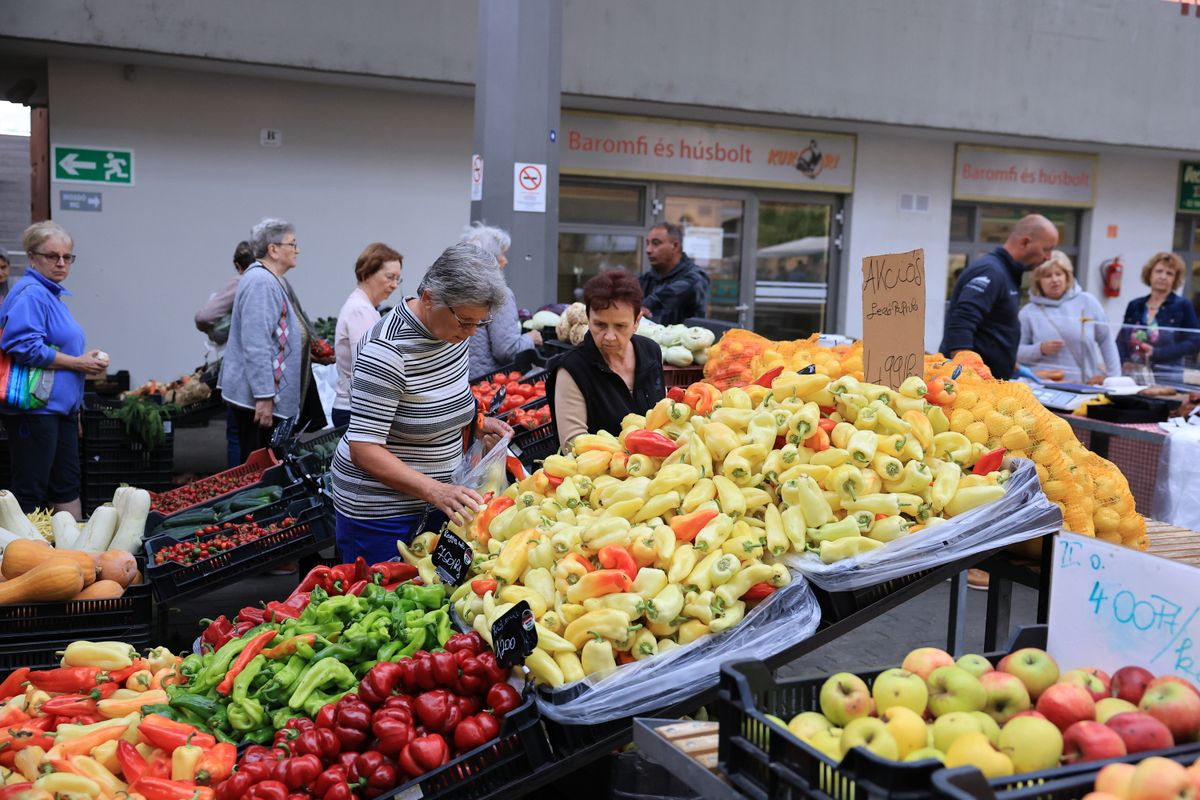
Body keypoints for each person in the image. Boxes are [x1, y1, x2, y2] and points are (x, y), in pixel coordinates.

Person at [330, 242, 513, 563]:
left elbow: (446, 394)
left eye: (479, 323)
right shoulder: (386, 351)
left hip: (438, 501)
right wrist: (435, 490)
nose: (471, 333)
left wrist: (477, 424)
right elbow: (364, 448)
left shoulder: (450, 333)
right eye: (465, 321)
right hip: (381, 515)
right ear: (429, 298)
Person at [0, 222, 108, 517]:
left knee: (66, 486)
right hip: (35, 410)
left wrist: (75, 403)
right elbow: (24, 346)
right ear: (32, 257)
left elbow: (53, 345)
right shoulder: (32, 294)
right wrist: (78, 363)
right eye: (52, 256)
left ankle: (72, 545)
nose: (61, 263)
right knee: (30, 490)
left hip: (57, 410)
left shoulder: (50, 294)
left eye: (67, 256)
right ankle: (21, 548)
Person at [219, 218, 321, 462]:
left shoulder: (271, 279)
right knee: (258, 468)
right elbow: (256, 344)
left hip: (267, 397)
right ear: (273, 249)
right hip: (259, 402)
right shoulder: (261, 282)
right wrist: (264, 397)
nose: (297, 250)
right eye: (292, 244)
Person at [550, 269, 665, 449]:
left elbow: (662, 415)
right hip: (601, 467)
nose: (609, 336)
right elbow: (572, 445)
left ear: (637, 321)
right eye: (600, 325)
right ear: (588, 318)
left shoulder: (651, 351)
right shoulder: (572, 369)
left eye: (620, 326)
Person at [940, 214, 1059, 380]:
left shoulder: (1007, 272)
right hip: (973, 384)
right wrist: (967, 375)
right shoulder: (991, 271)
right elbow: (961, 322)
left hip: (993, 380)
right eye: (1046, 249)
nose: (1049, 257)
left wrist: (1012, 365)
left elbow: (993, 329)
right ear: (1025, 242)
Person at [1017, 251, 1121, 384]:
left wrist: (1114, 378)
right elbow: (1016, 353)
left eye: (1059, 274)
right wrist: (1040, 349)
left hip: (1085, 385)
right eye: (1048, 276)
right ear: (1038, 281)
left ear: (1067, 276)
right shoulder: (1028, 312)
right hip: (1044, 387)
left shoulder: (1088, 302)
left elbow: (1106, 341)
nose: (1055, 280)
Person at [197, 241, 256, 467]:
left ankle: (237, 479)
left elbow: (203, 317)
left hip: (238, 366)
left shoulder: (241, 282)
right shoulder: (271, 283)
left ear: (237, 265)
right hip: (261, 370)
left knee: (236, 433)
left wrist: (222, 328)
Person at [331, 242, 403, 428]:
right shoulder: (360, 310)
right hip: (355, 410)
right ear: (367, 273)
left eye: (398, 279)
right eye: (390, 277)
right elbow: (367, 364)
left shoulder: (365, 307)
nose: (394, 285)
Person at [462, 223, 542, 378]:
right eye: (502, 255)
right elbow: (507, 351)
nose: (505, 261)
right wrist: (531, 338)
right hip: (488, 383)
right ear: (489, 259)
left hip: (460, 379)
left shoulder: (459, 289)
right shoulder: (498, 293)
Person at [1117, 251, 1200, 381]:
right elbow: (1122, 339)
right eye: (1159, 271)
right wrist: (1123, 361)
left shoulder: (1183, 305)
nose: (1163, 277)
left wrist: (1158, 353)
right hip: (1133, 375)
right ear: (1149, 274)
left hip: (1167, 376)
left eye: (1169, 273)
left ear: (1175, 279)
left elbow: (1195, 341)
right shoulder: (1135, 305)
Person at [640, 223, 710, 326]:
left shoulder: (696, 277)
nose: (648, 250)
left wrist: (647, 304)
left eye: (656, 243)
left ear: (675, 246)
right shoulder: (648, 278)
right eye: (648, 243)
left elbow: (680, 290)